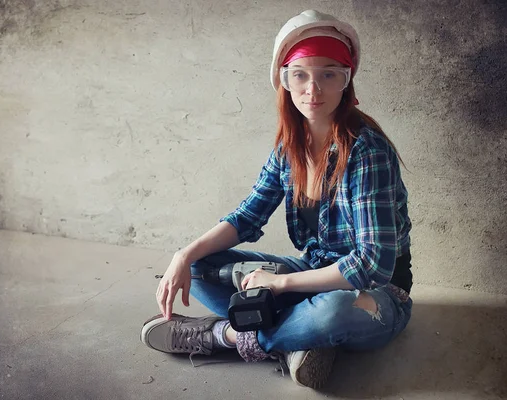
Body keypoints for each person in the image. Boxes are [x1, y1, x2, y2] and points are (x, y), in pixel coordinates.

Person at [140, 10, 413, 389]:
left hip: (376, 297)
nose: (312, 89)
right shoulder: (289, 147)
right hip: (311, 271)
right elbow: (246, 217)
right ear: (283, 81)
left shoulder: (367, 151)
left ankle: (226, 337)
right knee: (201, 266)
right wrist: (183, 255)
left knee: (333, 311)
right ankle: (295, 344)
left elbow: (373, 265)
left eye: (328, 74)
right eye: (299, 75)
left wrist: (281, 286)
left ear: (346, 82)